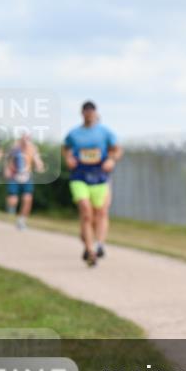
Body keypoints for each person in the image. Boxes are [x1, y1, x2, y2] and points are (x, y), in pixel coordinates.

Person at [64, 101, 121, 266]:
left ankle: (98, 244)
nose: (89, 114)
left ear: (95, 113)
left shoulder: (105, 132)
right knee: (86, 212)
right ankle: (90, 251)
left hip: (100, 177)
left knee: (100, 213)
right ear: (82, 113)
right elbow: (65, 148)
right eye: (86, 111)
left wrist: (111, 160)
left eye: (91, 111)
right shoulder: (74, 134)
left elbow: (117, 149)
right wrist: (68, 158)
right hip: (79, 177)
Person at [5, 134, 45, 230]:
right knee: (13, 200)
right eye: (24, 139)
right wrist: (6, 169)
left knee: (27, 199)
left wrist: (39, 165)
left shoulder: (33, 148)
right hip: (15, 176)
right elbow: (8, 158)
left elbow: (37, 159)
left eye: (28, 139)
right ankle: (10, 206)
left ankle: (21, 220)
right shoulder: (15, 147)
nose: (26, 142)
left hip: (27, 176)